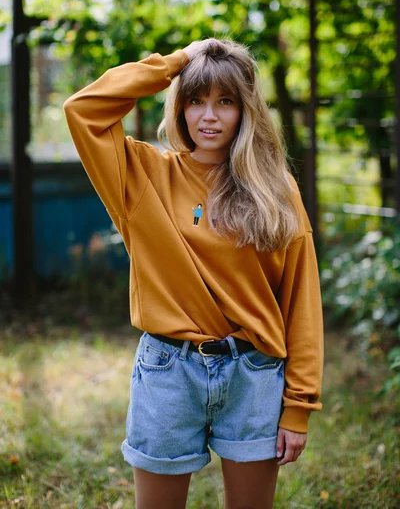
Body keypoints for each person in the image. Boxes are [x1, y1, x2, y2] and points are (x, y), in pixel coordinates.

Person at [63, 38, 324, 509]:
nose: (209, 116)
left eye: (225, 102)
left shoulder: (276, 189)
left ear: (246, 110)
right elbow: (83, 110)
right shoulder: (142, 174)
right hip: (168, 371)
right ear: (179, 108)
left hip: (255, 373)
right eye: (196, 100)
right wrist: (178, 61)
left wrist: (299, 408)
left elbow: (301, 299)